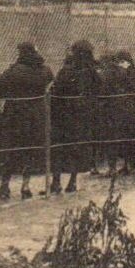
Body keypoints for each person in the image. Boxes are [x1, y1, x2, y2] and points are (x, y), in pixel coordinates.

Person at [0, 42, 52, 200]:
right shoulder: (45, 70)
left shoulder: (13, 71)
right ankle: (26, 186)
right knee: (30, 149)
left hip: (15, 115)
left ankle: (5, 186)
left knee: (9, 149)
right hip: (36, 115)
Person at [47, 40, 100, 194]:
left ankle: (56, 182)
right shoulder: (92, 71)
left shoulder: (66, 70)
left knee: (59, 148)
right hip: (82, 116)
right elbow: (98, 90)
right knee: (77, 149)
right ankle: (72, 182)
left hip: (63, 116)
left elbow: (56, 91)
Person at [98, 49, 135, 176]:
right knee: (129, 139)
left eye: (122, 62)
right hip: (129, 111)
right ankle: (129, 166)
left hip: (128, 111)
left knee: (127, 140)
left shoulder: (128, 73)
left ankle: (130, 166)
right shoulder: (126, 72)